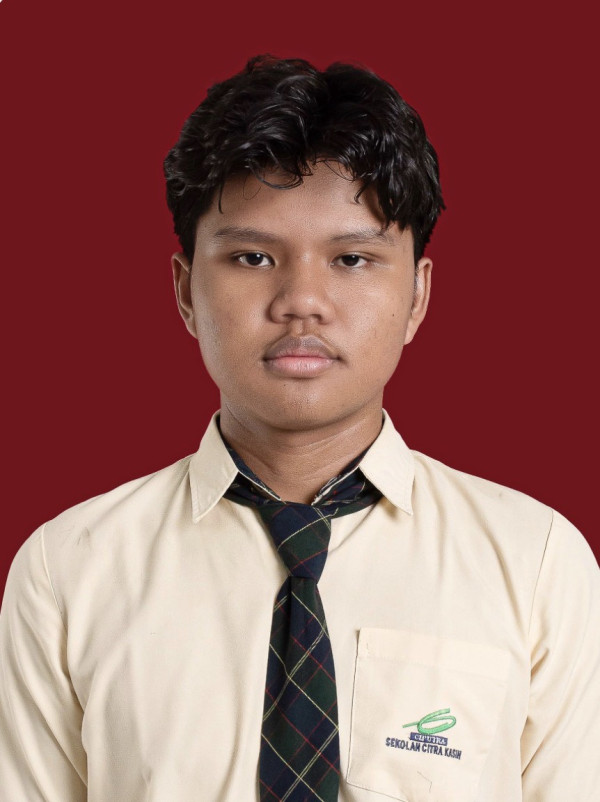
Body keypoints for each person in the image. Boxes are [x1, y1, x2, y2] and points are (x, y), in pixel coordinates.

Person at [1, 55, 598, 802]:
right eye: (252, 256)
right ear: (186, 291)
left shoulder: (536, 562)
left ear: (417, 296)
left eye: (352, 258)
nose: (301, 300)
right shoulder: (68, 571)